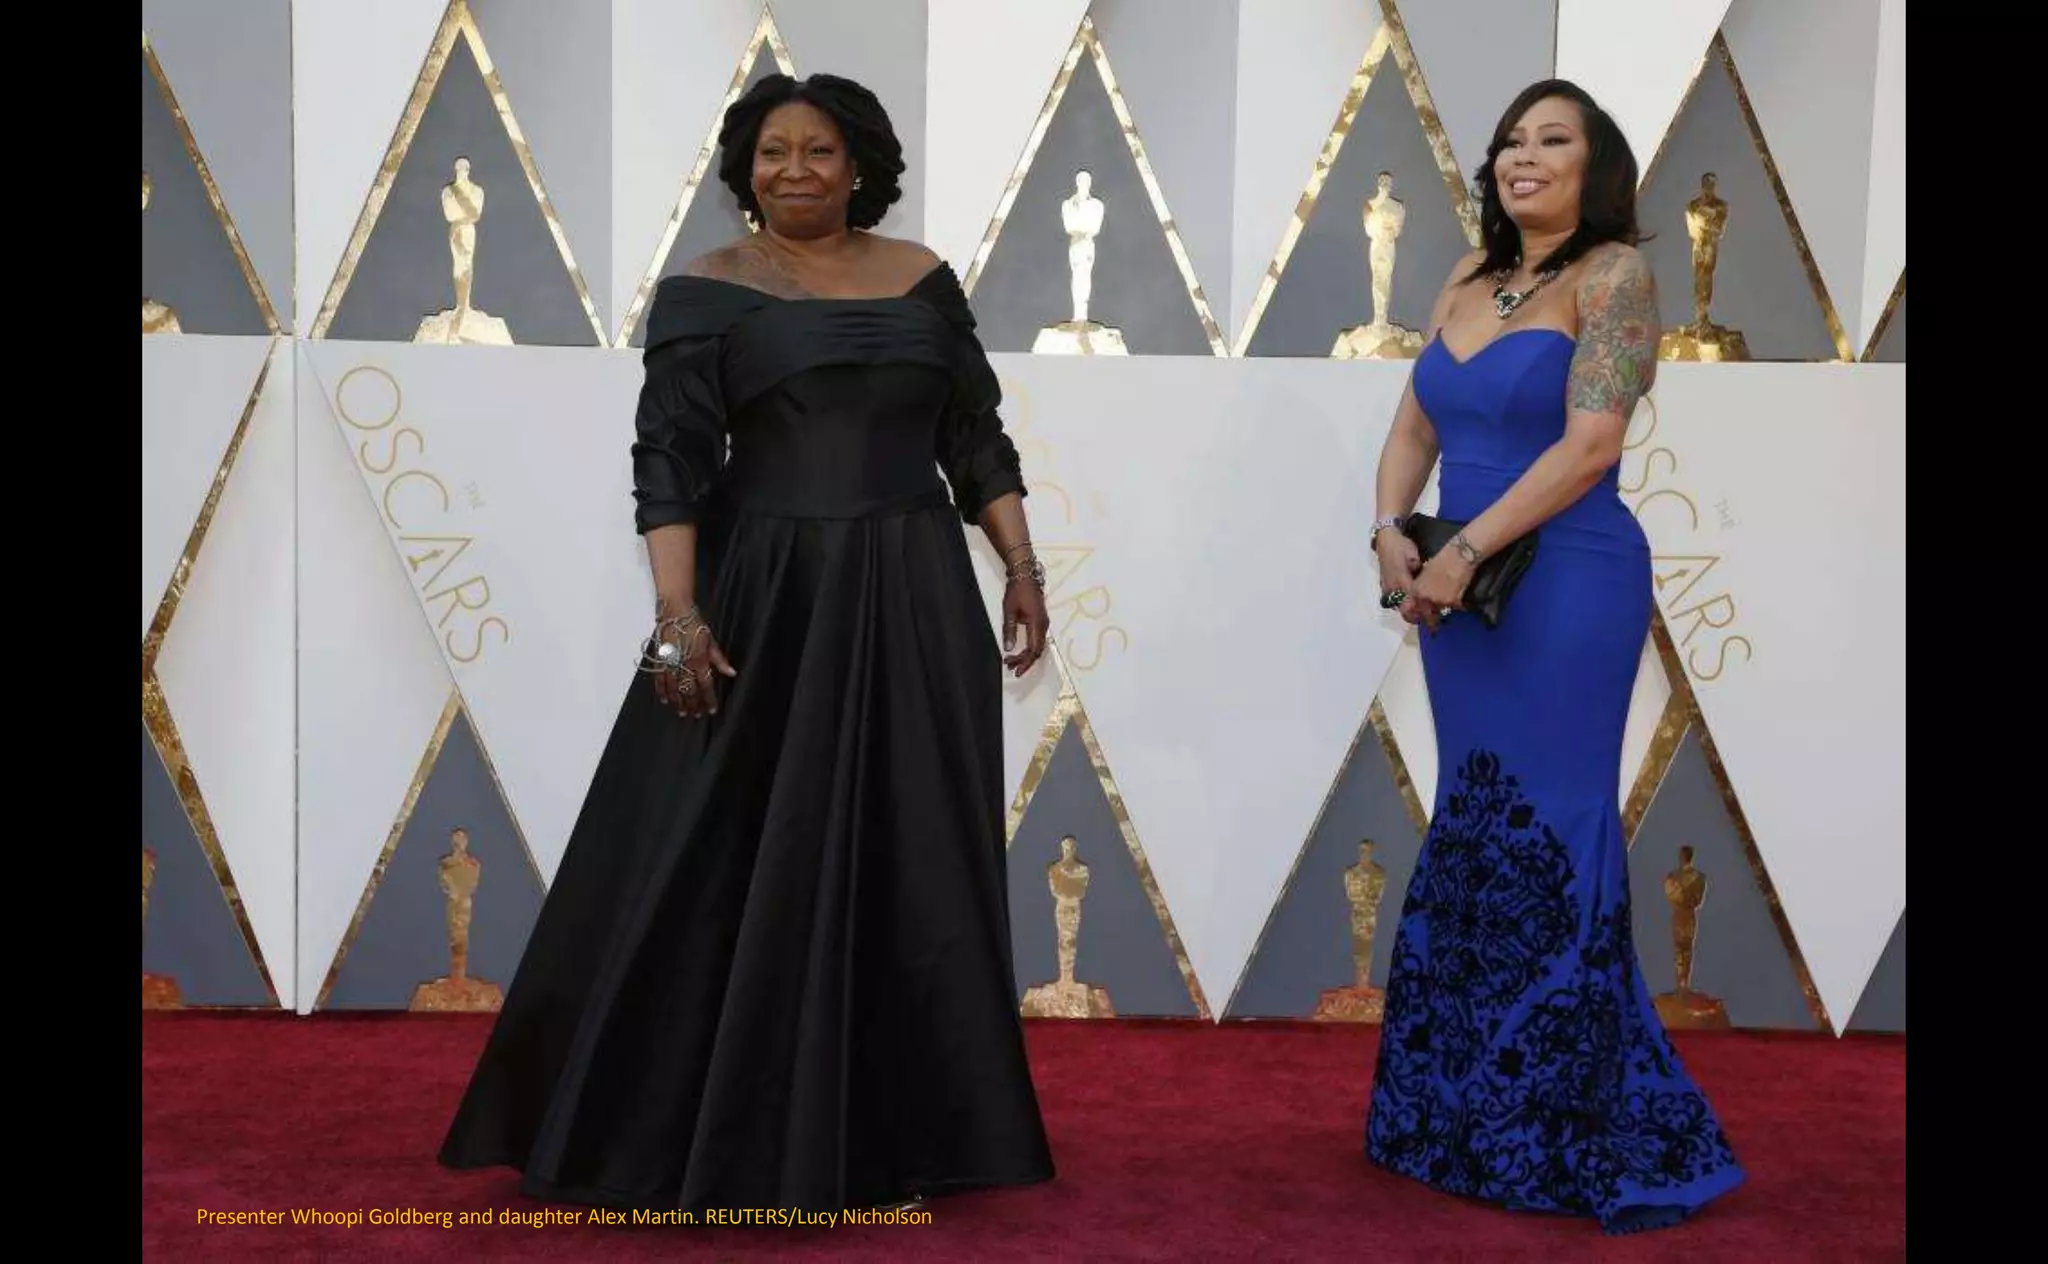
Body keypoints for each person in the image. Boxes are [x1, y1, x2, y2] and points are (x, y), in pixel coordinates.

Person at [438, 72, 1057, 1215]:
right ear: (744, 170)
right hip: (766, 592)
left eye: (818, 150)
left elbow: (975, 436)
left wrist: (1019, 567)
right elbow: (668, 464)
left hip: (918, 589)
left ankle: (904, 1131)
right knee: (714, 846)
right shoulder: (704, 291)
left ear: (858, 162)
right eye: (772, 152)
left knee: (913, 845)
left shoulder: (923, 278)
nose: (794, 171)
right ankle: (689, 1124)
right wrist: (678, 620)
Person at [1361, 79, 1744, 1235]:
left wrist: (1462, 547)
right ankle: (1452, 1113)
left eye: (1552, 140)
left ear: (1595, 166)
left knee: (1550, 821)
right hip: (1457, 594)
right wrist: (1389, 527)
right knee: (1476, 820)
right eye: (1509, 141)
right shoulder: (1465, 280)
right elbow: (1414, 424)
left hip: (1564, 579)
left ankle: (1559, 1119)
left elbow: (1589, 448)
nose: (1522, 157)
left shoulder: (1614, 275)